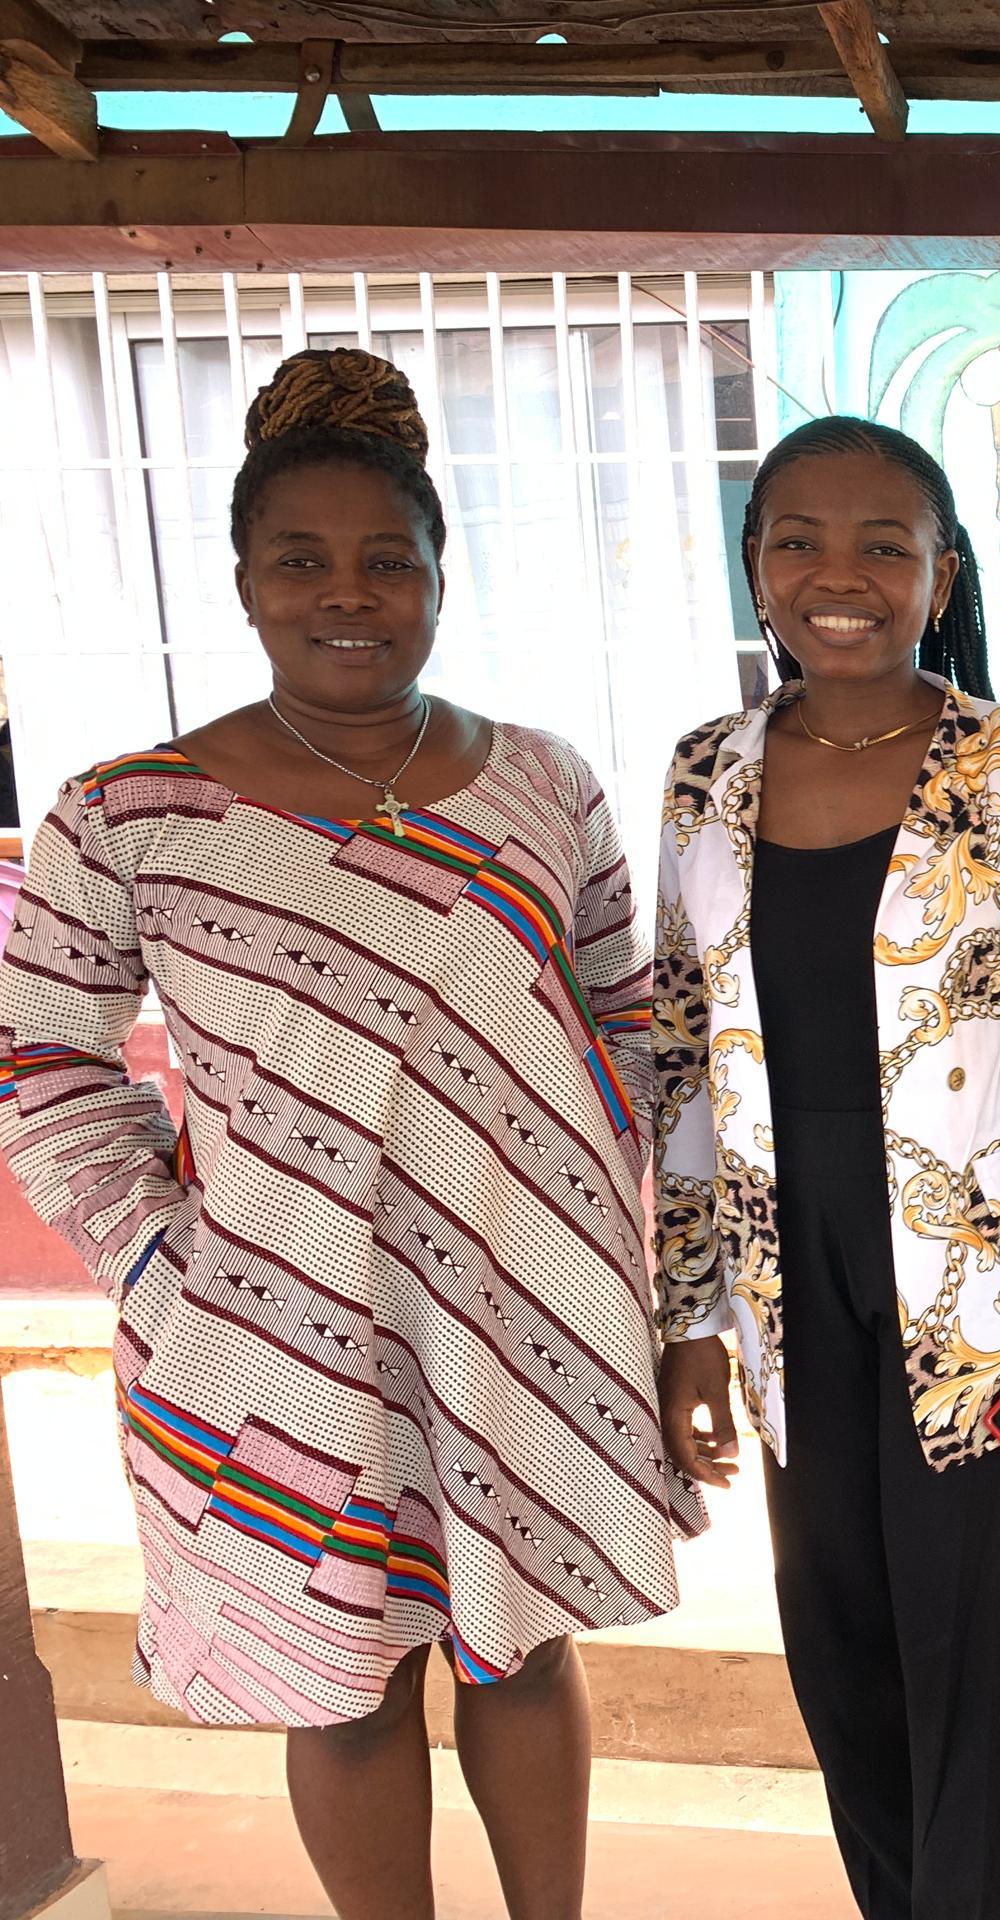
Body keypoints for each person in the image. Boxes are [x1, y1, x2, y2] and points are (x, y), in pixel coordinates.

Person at [0, 348, 701, 1920]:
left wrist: (569, 1206)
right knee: (338, 1675)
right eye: (301, 562)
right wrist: (161, 1260)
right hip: (261, 1331)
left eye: (390, 560)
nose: (349, 594)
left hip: (514, 1314)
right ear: (243, 582)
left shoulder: (542, 781)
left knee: (518, 1647)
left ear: (442, 577)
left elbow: (631, 1012)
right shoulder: (126, 811)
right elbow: (43, 1052)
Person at [651, 414, 1000, 1920]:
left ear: (940, 575)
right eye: (797, 537)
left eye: (884, 543)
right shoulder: (704, 777)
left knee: (979, 1660)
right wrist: (684, 1318)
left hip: (985, 1295)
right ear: (754, 564)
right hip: (784, 1285)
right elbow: (676, 1049)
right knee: (842, 1646)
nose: (837, 574)